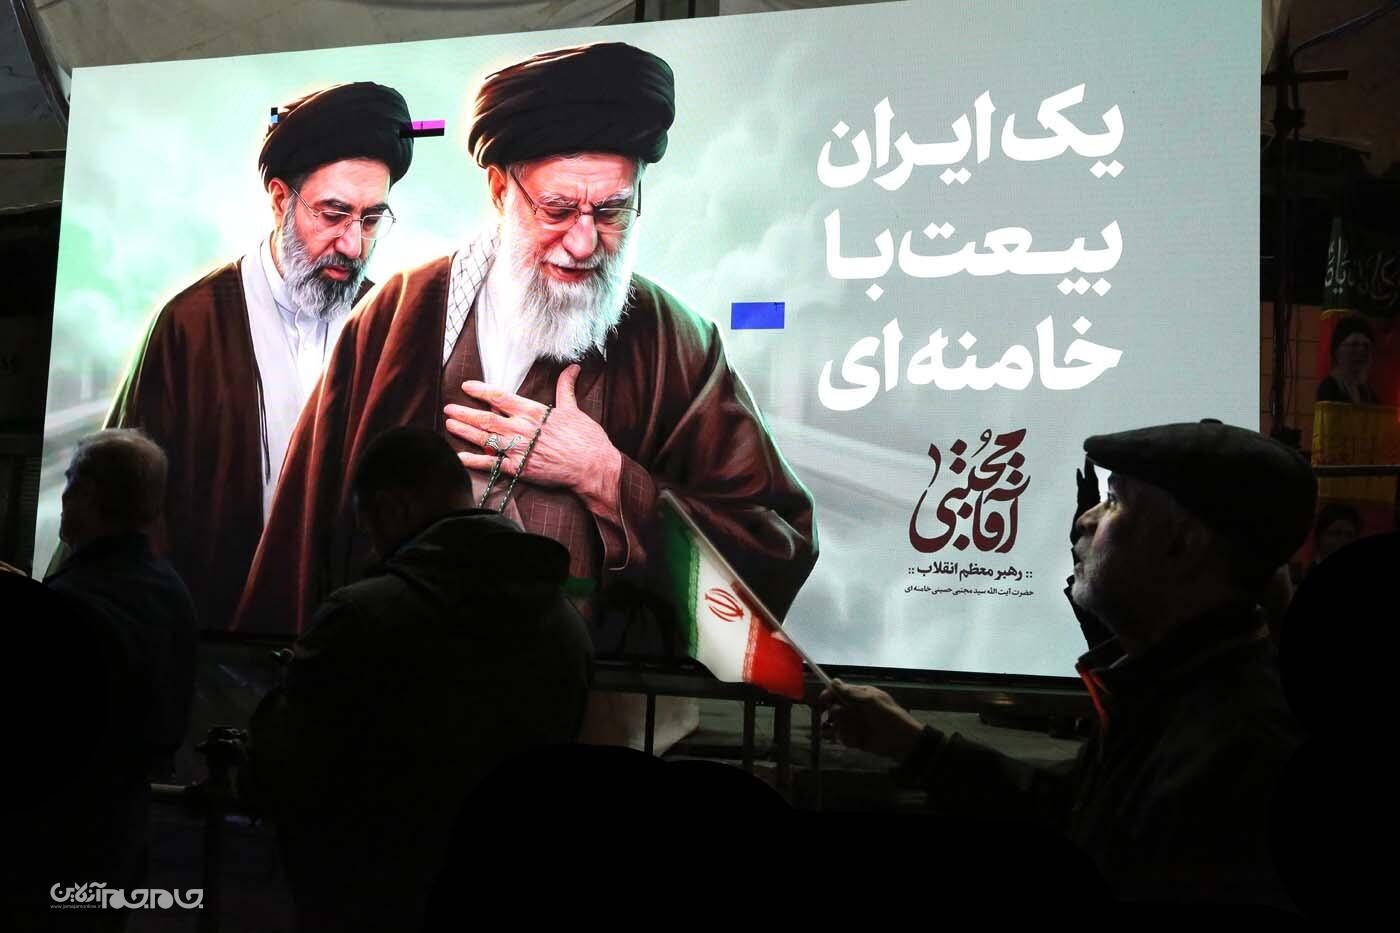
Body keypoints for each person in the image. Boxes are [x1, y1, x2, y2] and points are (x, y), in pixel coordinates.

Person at [235, 43, 818, 748]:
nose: (584, 242)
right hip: (398, 734)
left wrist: (608, 479)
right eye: (558, 208)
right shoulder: (397, 317)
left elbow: (775, 547)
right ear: (499, 189)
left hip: (590, 748)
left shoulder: (676, 342)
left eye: (612, 211)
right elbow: (306, 540)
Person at [819, 421, 1314, 906]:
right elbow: (1067, 808)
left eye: (1114, 501)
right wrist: (913, 744)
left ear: (1182, 544)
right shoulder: (1170, 691)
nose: (1085, 520)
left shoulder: (1236, 758)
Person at [241, 427, 592, 932]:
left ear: (394, 508)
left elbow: (287, 767)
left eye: (369, 528)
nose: (372, 546)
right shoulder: (566, 626)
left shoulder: (361, 617)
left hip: (373, 899)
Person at [101, 81, 417, 630]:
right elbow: (129, 507)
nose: (352, 245)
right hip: (212, 636)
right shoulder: (191, 324)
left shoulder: (389, 323)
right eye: (333, 214)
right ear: (279, 199)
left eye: (370, 221)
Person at [28, 430, 197, 917]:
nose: (64, 496)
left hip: (55, 839)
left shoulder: (70, 603)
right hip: (124, 830)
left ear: (90, 495)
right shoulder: (170, 589)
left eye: (71, 482)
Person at [1316, 315, 1380, 404]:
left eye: (1366, 346)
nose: (1362, 351)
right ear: (1337, 351)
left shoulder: (1369, 395)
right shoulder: (1328, 389)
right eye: (1354, 345)